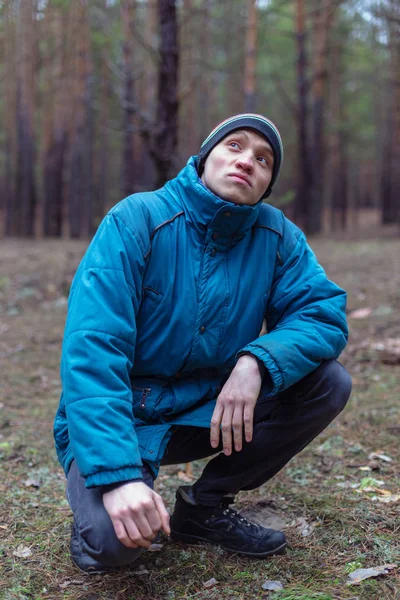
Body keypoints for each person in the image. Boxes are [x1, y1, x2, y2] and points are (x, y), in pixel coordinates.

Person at [54, 113, 352, 573]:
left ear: (268, 182)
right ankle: (101, 501)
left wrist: (257, 362)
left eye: (263, 159)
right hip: (124, 413)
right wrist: (119, 477)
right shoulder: (137, 218)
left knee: (327, 381)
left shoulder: (276, 237)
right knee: (115, 547)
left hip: (208, 410)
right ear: (204, 156)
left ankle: (204, 508)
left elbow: (323, 313)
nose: (247, 161)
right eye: (234, 146)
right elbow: (92, 350)